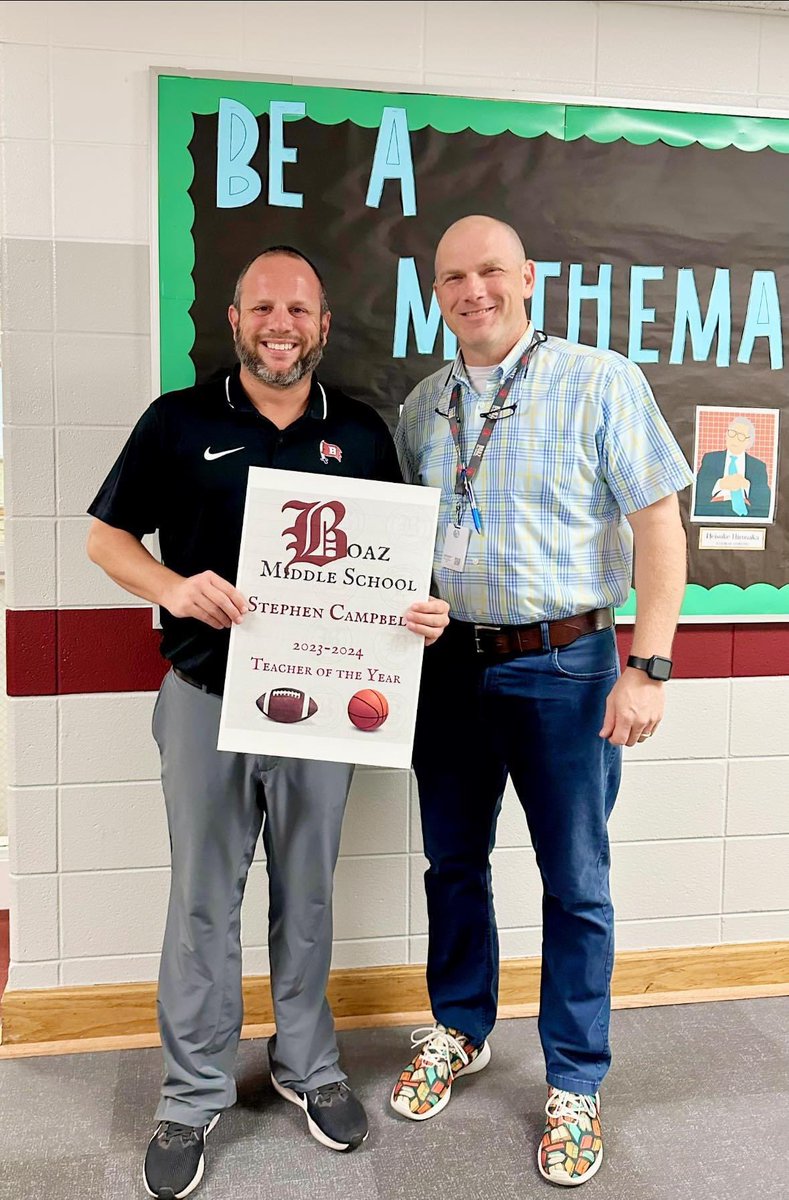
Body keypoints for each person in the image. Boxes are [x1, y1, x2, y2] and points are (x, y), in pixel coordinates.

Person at [87, 245, 449, 1199]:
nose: (280, 324)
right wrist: (171, 586)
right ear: (235, 320)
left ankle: (308, 1067)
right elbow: (104, 536)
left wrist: (418, 611)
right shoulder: (178, 420)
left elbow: (394, 568)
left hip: (322, 710)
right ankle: (192, 1091)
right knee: (203, 897)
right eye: (262, 308)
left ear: (324, 325)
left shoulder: (363, 434)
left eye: (298, 309)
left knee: (308, 893)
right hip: (205, 697)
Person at [391, 215, 693, 1187]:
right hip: (448, 674)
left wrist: (647, 666)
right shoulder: (420, 407)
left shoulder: (601, 381)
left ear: (525, 277)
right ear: (434, 293)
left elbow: (659, 523)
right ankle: (461, 1027)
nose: (472, 290)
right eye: (451, 278)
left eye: (488, 272)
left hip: (568, 667)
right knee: (451, 861)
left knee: (576, 881)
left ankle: (574, 1081)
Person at [693, 415, 772, 519]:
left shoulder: (758, 466)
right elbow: (697, 492)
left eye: (741, 436)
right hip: (714, 509)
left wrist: (747, 485)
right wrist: (720, 484)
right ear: (726, 435)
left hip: (746, 513)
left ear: (748, 442)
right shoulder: (711, 459)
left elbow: (765, 503)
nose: (735, 439)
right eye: (732, 434)